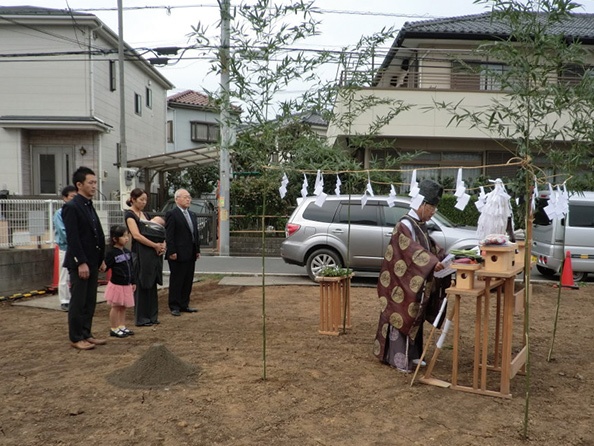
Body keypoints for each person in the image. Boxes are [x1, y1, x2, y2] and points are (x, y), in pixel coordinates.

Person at [373, 179, 451, 372]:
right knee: (401, 314)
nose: (433, 212)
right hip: (400, 282)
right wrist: (433, 262)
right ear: (423, 204)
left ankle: (413, 355)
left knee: (415, 314)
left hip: (414, 279)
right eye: (432, 207)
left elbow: (430, 247)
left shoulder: (419, 224)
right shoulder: (404, 225)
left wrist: (445, 258)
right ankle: (398, 359)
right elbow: (410, 250)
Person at [62, 166, 106, 350]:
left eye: (95, 182)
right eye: (91, 183)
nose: (94, 186)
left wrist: (100, 259)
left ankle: (86, 333)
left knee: (89, 300)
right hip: (80, 262)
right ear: (79, 185)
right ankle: (76, 336)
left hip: (93, 260)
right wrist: (81, 262)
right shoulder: (72, 207)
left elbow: (96, 235)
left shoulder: (89, 205)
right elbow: (73, 238)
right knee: (78, 301)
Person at [124, 188, 166, 327]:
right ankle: (141, 318)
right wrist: (155, 245)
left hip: (152, 255)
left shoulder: (146, 215)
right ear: (133, 199)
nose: (143, 202)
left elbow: (158, 232)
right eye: (141, 199)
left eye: (145, 200)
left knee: (152, 283)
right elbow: (136, 235)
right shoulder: (130, 215)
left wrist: (161, 245)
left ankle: (152, 316)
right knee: (142, 283)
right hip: (140, 254)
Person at [165, 189, 200, 316]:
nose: (188, 199)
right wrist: (172, 251)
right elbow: (170, 235)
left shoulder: (192, 215)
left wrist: (197, 250)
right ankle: (174, 305)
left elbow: (195, 234)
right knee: (177, 280)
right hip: (177, 253)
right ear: (177, 199)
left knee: (188, 279)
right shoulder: (172, 214)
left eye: (189, 197)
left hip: (190, 252)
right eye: (185, 197)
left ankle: (184, 304)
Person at [104, 225, 136, 338]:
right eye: (123, 236)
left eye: (127, 236)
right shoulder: (111, 253)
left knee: (123, 306)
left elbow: (131, 268)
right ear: (115, 239)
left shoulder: (127, 252)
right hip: (117, 285)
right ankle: (114, 328)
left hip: (126, 284)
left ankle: (121, 326)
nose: (126, 238)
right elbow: (105, 267)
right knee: (116, 306)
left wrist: (133, 281)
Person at [53, 185, 77, 312]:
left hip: (75, 246)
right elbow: (62, 231)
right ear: (65, 198)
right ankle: (64, 300)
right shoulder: (59, 213)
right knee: (64, 274)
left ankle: (73, 298)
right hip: (65, 246)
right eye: (72, 196)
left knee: (74, 274)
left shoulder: (76, 211)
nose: (74, 199)